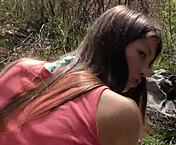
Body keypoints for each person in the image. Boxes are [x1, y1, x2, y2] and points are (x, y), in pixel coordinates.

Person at [0, 5, 162, 145]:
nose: (145, 71)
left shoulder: (20, 69)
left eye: (149, 63)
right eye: (141, 54)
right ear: (115, 43)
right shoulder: (121, 110)